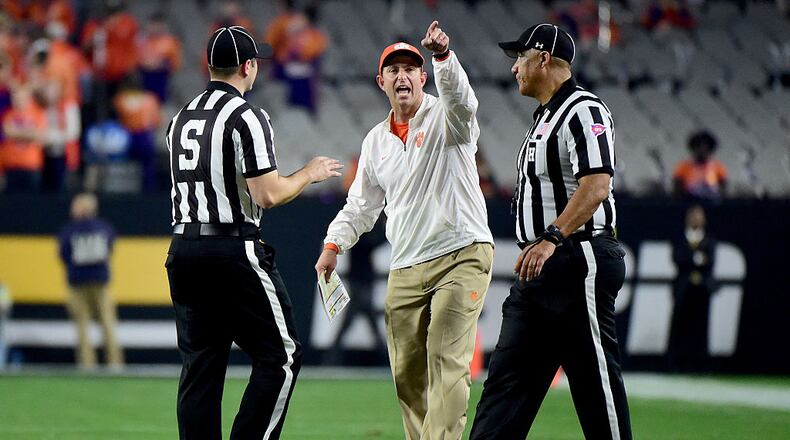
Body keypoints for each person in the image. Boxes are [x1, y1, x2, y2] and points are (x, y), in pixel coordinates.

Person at [315, 21, 494, 440]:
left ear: (423, 77)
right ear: (381, 82)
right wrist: (333, 243)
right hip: (407, 263)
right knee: (407, 375)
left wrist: (445, 58)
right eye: (393, 70)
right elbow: (361, 205)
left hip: (461, 251)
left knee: (446, 360)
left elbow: (465, 105)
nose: (402, 76)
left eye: (410, 68)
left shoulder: (447, 117)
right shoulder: (376, 141)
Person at [165, 26, 341, 440]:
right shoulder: (247, 115)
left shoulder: (180, 117)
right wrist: (308, 174)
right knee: (282, 356)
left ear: (210, 65)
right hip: (231, 248)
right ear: (249, 67)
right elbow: (268, 194)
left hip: (184, 247)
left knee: (200, 368)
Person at [470, 24, 632, 439]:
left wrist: (552, 237)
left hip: (578, 261)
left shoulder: (584, 109)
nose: (514, 70)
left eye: (519, 58)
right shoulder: (543, 118)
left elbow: (597, 184)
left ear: (543, 58)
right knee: (503, 389)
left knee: (597, 390)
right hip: (538, 272)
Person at [58, 192, 124, 370]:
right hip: (100, 283)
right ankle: (115, 363)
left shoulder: (70, 231)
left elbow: (63, 254)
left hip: (77, 284)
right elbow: (110, 247)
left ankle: (87, 365)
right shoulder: (104, 228)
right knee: (108, 324)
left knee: (82, 327)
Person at [669, 204, 716, 372]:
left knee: (700, 327)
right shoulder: (681, 238)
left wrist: (691, 259)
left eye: (699, 215)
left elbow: (710, 261)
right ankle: (676, 364)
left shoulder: (709, 239)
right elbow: (677, 258)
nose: (696, 218)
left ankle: (700, 364)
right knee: (679, 326)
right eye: (693, 215)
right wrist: (696, 259)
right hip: (683, 288)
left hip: (702, 289)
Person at [673, 130, 728, 200]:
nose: (701, 150)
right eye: (698, 146)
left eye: (705, 147)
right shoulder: (683, 167)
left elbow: (723, 190)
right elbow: (677, 190)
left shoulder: (718, 167)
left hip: (712, 203)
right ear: (693, 149)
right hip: (689, 203)